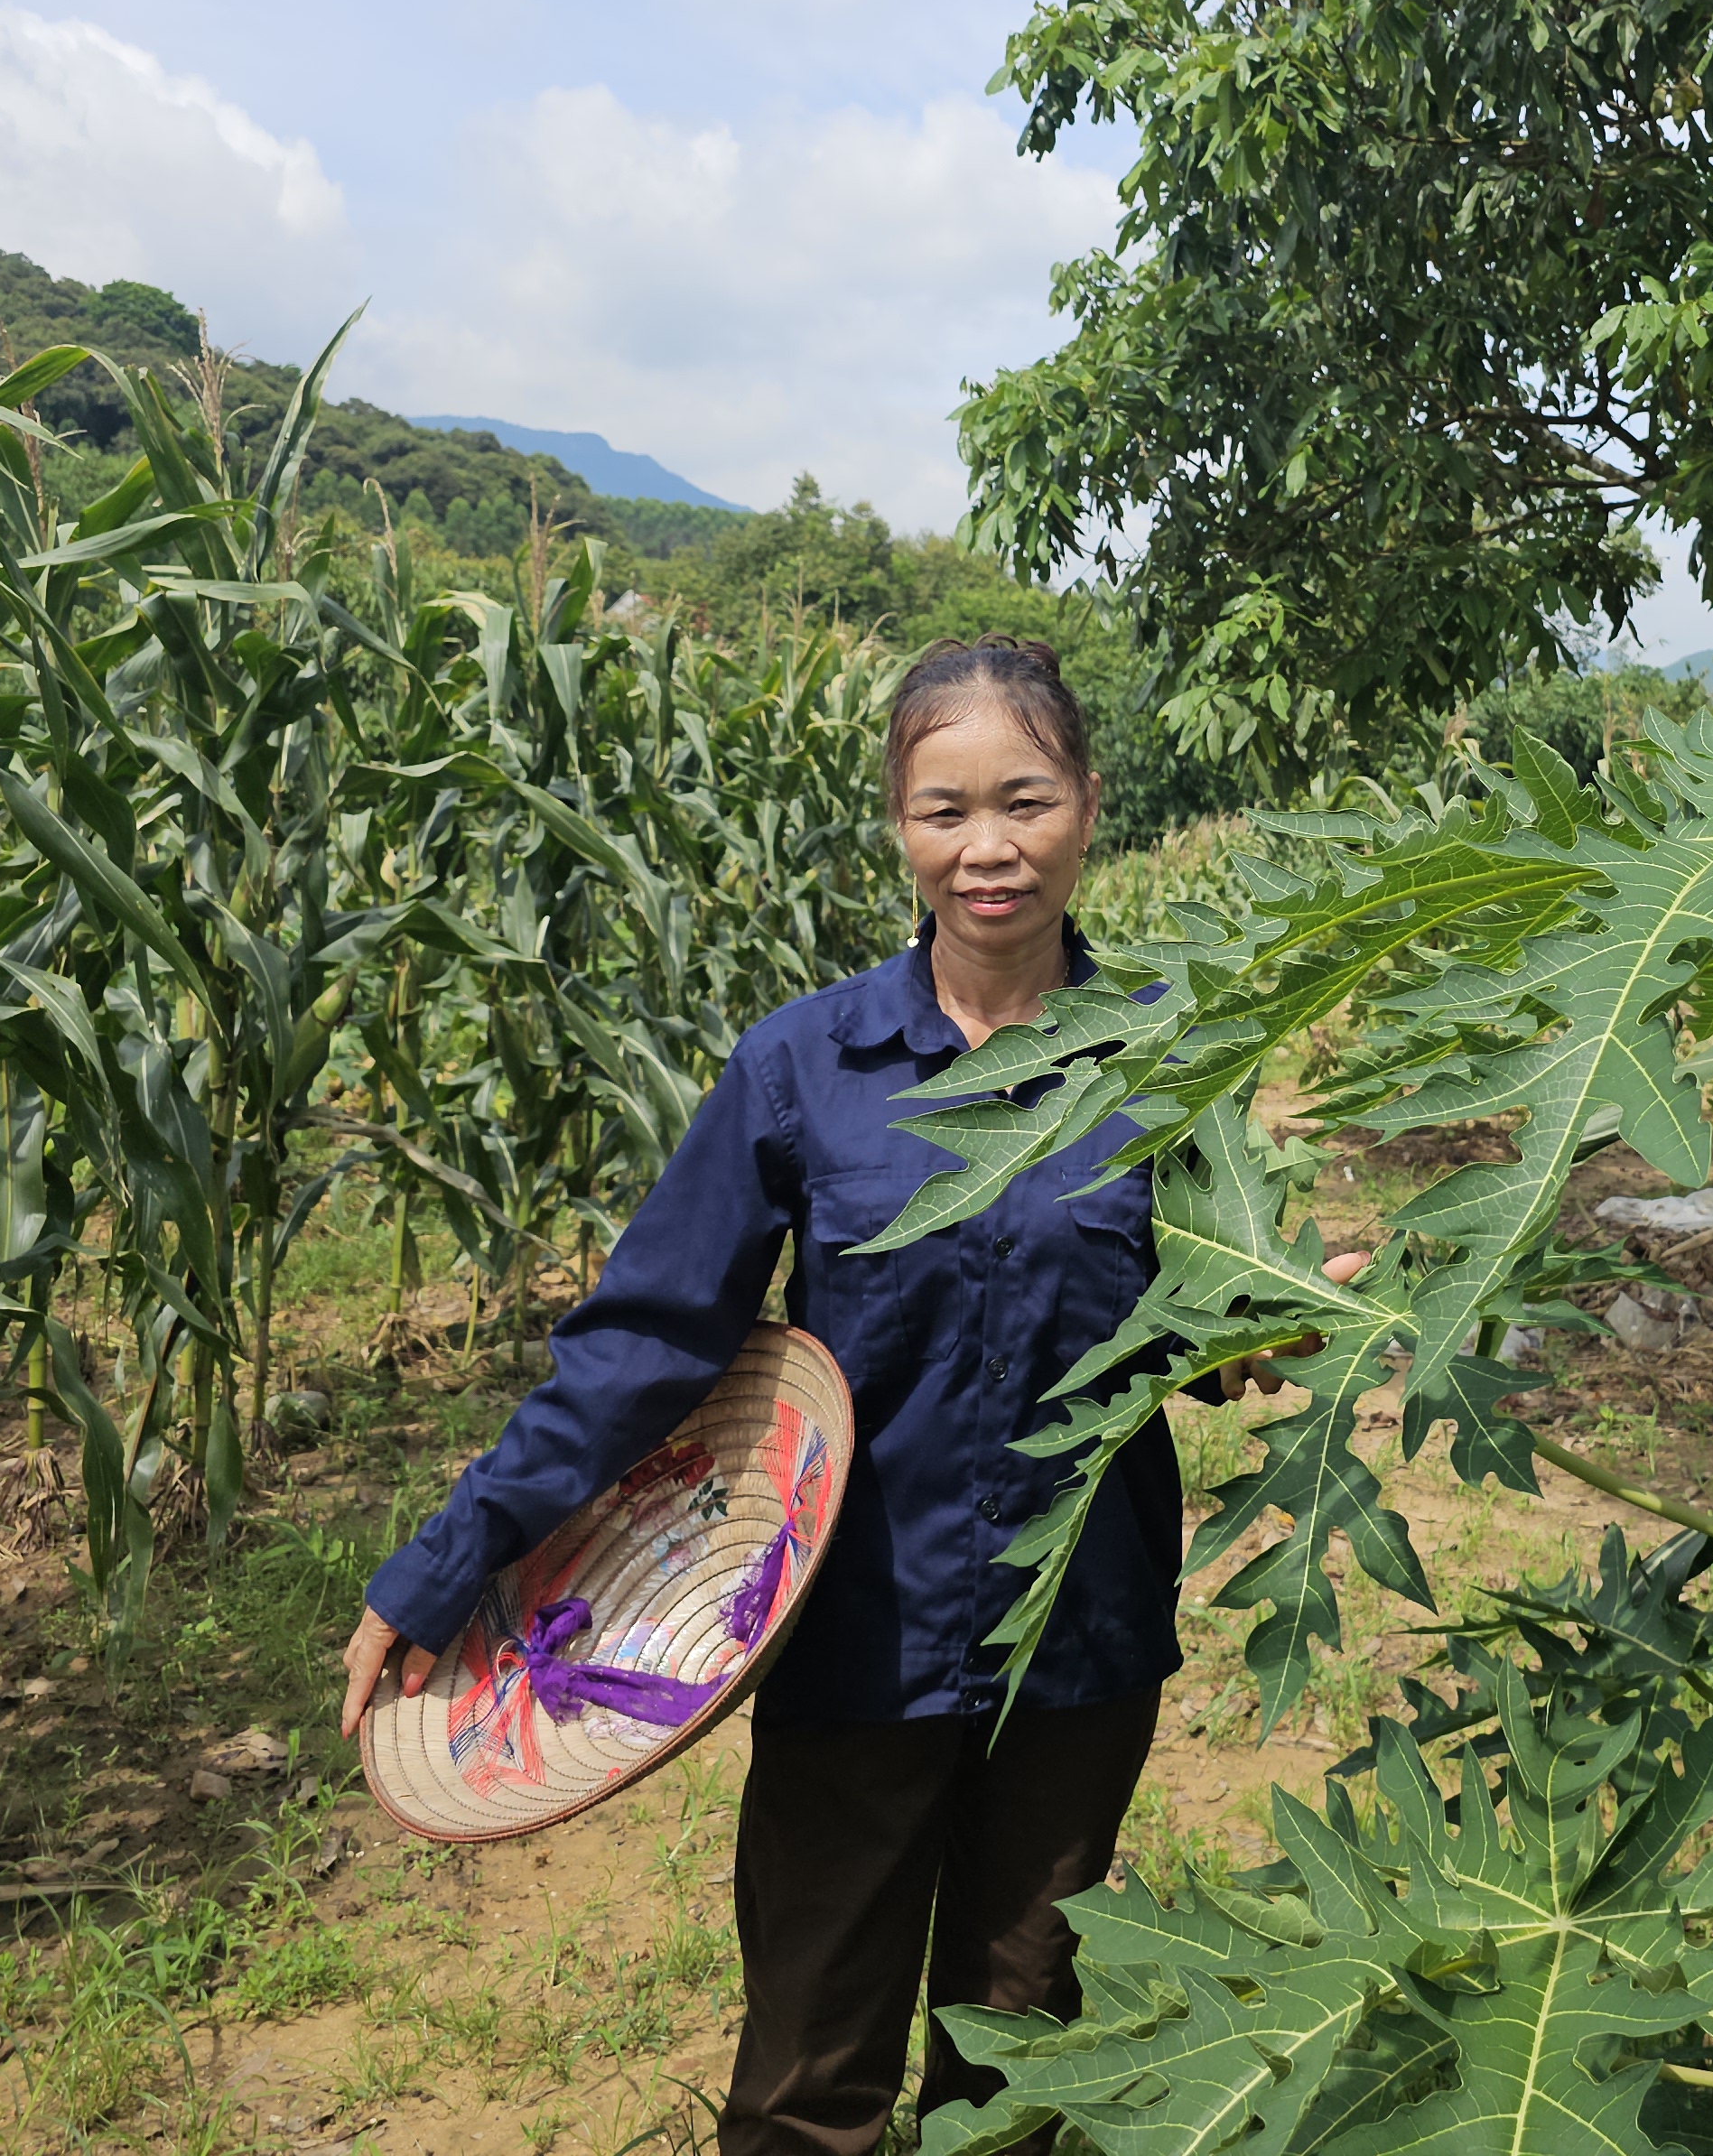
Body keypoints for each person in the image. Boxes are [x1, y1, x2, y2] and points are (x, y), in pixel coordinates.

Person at [335, 634, 1311, 2156]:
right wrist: (453, 1559)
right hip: (854, 1636)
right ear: (897, 826)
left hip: (1081, 1642)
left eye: (1026, 801)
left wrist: (1258, 1333)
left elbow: (1214, 1301)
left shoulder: (1168, 1060)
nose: (988, 849)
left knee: (1017, 2059)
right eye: (944, 810)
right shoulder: (806, 1068)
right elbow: (644, 1343)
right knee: (810, 2076)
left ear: (1089, 807)